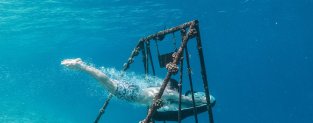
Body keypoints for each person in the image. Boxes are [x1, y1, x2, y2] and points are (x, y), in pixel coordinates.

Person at [61, 58, 215, 121]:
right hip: (134, 94)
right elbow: (189, 102)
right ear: (173, 89)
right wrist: (204, 100)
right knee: (108, 83)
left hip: (135, 90)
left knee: (109, 82)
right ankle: (82, 66)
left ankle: (83, 66)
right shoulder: (170, 94)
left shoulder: (161, 90)